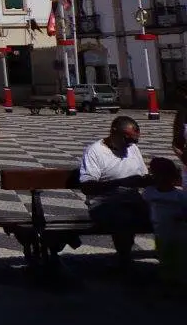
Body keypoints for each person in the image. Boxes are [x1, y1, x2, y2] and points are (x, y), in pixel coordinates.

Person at [79, 115, 152, 264]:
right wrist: (121, 182)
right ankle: (124, 260)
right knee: (123, 218)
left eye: (135, 140)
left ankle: (171, 256)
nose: (130, 144)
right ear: (114, 132)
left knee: (168, 211)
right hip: (104, 202)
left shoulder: (132, 148)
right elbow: (87, 187)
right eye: (127, 139)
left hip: (133, 199)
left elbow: (143, 175)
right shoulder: (95, 151)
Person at [141, 157, 187, 285]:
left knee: (180, 255)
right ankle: (167, 279)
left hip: (179, 232)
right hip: (161, 230)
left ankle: (179, 279)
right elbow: (143, 206)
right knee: (164, 254)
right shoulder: (149, 192)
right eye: (156, 175)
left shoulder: (180, 196)